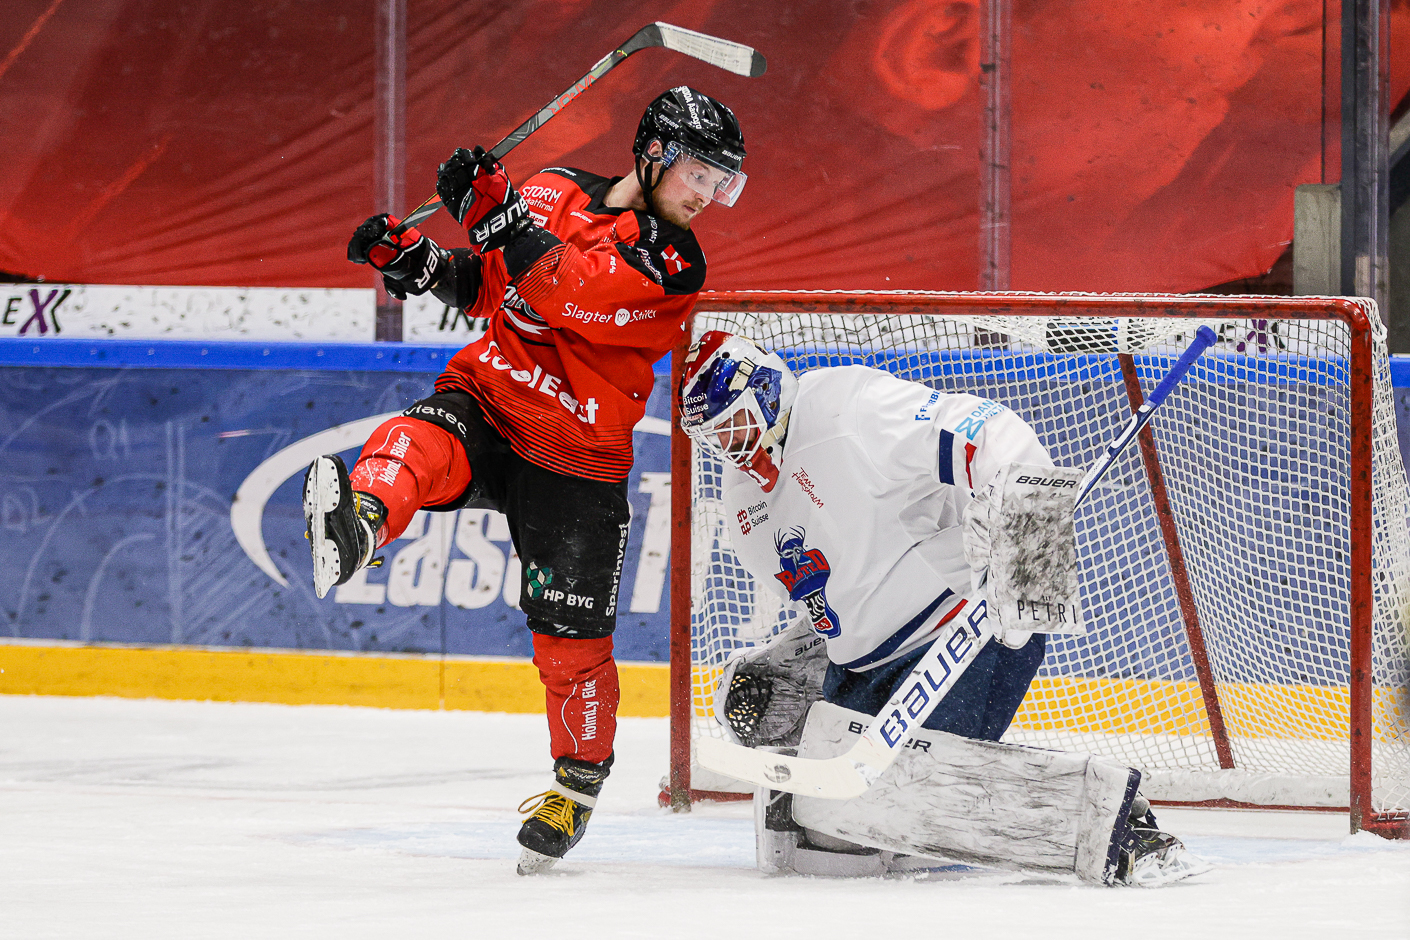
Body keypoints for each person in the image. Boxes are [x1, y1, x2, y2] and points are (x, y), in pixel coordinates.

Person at [303, 87, 747, 875]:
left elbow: (563, 291)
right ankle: (360, 523)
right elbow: (495, 286)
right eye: (699, 174)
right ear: (653, 153)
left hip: (578, 455)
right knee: (415, 438)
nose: (707, 195)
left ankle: (575, 787)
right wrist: (419, 260)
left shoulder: (675, 261)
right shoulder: (553, 188)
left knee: (569, 650)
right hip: (492, 399)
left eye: (721, 182)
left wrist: (496, 216)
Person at [677, 331, 1210, 887]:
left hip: (958, 627)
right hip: (864, 665)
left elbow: (993, 430)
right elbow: (834, 594)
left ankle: (1119, 822)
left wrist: (1026, 544)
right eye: (712, 437)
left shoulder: (847, 409)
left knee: (909, 794)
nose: (727, 447)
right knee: (831, 834)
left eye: (731, 424)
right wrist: (799, 663)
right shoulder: (744, 501)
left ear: (766, 391)